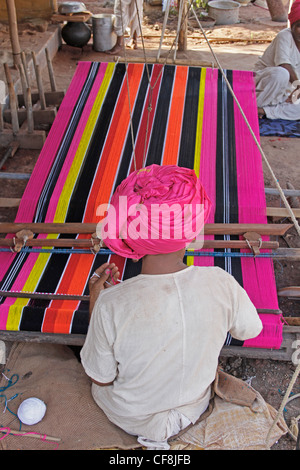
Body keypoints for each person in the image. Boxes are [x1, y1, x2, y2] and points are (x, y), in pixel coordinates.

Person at [80, 164, 263, 450]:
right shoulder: (221, 282)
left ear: (133, 233)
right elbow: (250, 330)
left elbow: (100, 378)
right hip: (192, 409)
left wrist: (96, 298)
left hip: (129, 416)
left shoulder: (111, 303)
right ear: (190, 232)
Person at [254, 0, 300, 120]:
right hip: (265, 86)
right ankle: (255, 107)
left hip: (288, 93)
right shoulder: (285, 36)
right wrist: (298, 85)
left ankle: (262, 111)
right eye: (299, 26)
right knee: (281, 74)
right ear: (292, 25)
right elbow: (284, 65)